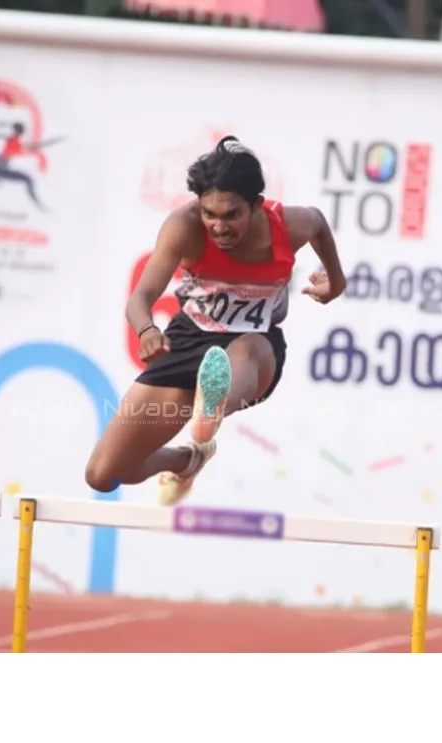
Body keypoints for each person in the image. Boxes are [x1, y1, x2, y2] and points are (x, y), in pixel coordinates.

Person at [84, 136, 347, 505]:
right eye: (210, 214)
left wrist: (335, 281)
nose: (219, 227)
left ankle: (214, 405)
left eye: (231, 215)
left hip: (255, 346)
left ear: (256, 205)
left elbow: (319, 224)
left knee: (242, 351)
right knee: (103, 474)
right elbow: (140, 299)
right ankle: (187, 460)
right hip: (188, 340)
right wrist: (147, 330)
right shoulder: (184, 227)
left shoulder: (289, 226)